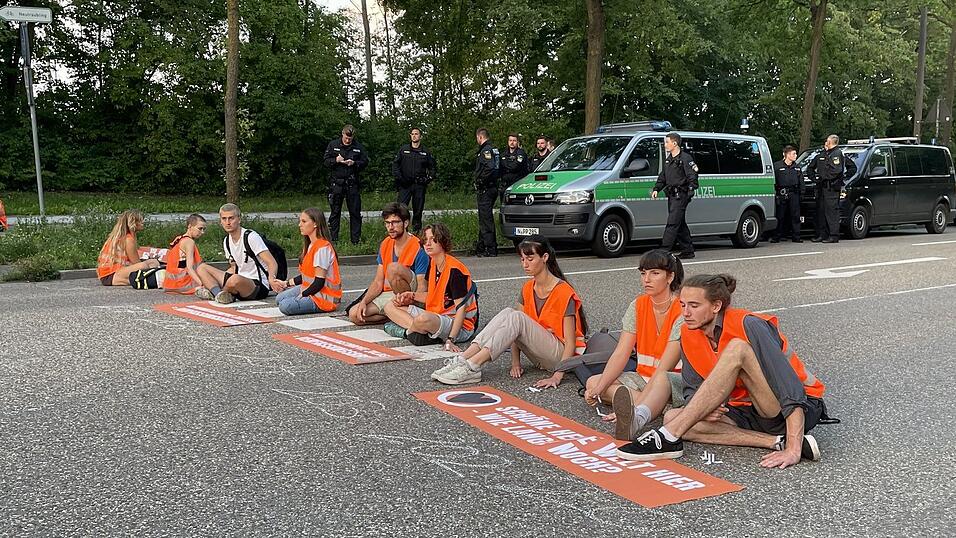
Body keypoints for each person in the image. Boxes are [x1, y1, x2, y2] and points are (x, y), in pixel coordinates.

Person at [616, 274, 829, 469]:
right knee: (673, 416)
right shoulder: (688, 333)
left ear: (716, 305)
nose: (686, 313)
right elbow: (692, 389)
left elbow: (790, 391)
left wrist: (793, 450)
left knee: (737, 348)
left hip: (791, 408)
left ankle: (667, 438)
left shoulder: (749, 324)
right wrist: (705, 409)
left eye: (694, 305)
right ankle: (774, 442)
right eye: (682, 305)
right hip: (746, 410)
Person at [431, 235, 588, 387]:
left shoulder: (563, 292)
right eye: (522, 259)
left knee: (516, 317)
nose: (525, 264)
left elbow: (570, 343)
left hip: (561, 358)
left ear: (545, 257)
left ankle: (473, 365)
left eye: (530, 259)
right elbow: (515, 331)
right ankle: (463, 359)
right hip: (541, 355)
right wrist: (515, 363)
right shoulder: (528, 288)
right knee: (509, 313)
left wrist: (557, 377)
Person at [582, 250, 686, 440]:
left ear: (670, 277)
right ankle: (656, 408)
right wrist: (597, 390)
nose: (647, 279)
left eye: (654, 273)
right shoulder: (638, 305)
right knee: (593, 383)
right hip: (642, 378)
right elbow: (621, 353)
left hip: (671, 382)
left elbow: (665, 369)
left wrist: (634, 410)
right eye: (643, 273)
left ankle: (644, 409)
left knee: (648, 387)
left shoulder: (682, 310)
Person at [383, 223, 479, 347]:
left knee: (423, 319)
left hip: (461, 326)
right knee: (389, 306)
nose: (427, 244)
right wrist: (411, 295)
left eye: (433, 240)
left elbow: (461, 308)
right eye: (425, 240)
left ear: (443, 242)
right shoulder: (433, 263)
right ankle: (417, 330)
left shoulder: (455, 271)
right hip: (437, 316)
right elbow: (433, 296)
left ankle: (408, 332)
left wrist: (451, 339)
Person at [347, 202, 429, 327]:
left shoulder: (418, 247)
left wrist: (417, 302)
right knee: (354, 314)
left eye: (395, 222)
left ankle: (405, 311)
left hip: (412, 296)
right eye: (387, 223)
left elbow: (422, 286)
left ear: (406, 223)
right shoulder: (385, 244)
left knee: (393, 268)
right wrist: (364, 301)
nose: (390, 227)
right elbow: (378, 282)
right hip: (391, 294)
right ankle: (394, 316)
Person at [193, 204, 282, 303]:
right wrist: (219, 277)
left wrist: (271, 280)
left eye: (231, 218)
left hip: (258, 285)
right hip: (238, 278)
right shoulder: (227, 240)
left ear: (239, 219)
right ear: (220, 221)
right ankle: (219, 294)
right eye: (224, 219)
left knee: (235, 279)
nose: (228, 222)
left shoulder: (251, 237)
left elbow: (271, 262)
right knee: (202, 268)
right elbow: (234, 267)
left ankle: (218, 293)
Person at [273, 208, 342, 315]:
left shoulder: (322, 248)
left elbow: (319, 282)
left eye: (304, 221)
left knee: (285, 305)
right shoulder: (310, 245)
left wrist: (303, 294)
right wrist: (286, 283)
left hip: (324, 298)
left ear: (315, 224)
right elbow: (306, 276)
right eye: (300, 221)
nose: (299, 225)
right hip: (312, 289)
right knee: (279, 299)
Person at [651, 132, 699, 259]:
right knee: (679, 223)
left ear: (675, 143)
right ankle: (688, 250)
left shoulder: (685, 158)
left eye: (667, 142)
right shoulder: (669, 159)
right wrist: (657, 189)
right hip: (672, 196)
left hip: (681, 195)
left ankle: (663, 252)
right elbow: (663, 176)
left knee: (672, 223)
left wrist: (689, 192)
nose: (665, 145)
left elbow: (692, 177)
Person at [324, 124, 369, 244]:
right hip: (337, 183)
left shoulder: (358, 147)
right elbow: (326, 161)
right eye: (346, 138)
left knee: (355, 212)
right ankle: (333, 240)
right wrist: (335, 160)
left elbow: (365, 162)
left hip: (352, 183)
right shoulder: (333, 145)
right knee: (335, 212)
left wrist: (354, 163)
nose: (348, 140)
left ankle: (355, 241)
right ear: (342, 134)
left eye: (350, 138)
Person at [96, 210, 161, 287]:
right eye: (140, 221)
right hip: (111, 275)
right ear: (133, 223)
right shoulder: (128, 240)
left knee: (153, 262)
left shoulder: (122, 237)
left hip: (113, 273)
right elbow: (136, 263)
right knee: (143, 266)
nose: (143, 223)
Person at [393, 127, 436, 233]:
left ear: (420, 136)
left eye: (416, 134)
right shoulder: (404, 150)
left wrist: (428, 179)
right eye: (412, 134)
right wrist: (399, 178)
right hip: (405, 185)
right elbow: (395, 164)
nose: (414, 136)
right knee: (401, 210)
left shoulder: (425, 152)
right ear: (410, 136)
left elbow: (433, 168)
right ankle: (402, 232)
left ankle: (416, 233)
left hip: (419, 186)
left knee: (418, 211)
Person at [807, 134, 844, 244]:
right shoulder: (826, 153)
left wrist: (824, 177)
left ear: (832, 141)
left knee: (832, 212)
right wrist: (816, 179)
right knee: (821, 212)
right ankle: (822, 234)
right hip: (822, 188)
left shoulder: (836, 153)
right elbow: (812, 168)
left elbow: (836, 170)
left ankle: (833, 235)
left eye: (827, 140)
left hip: (831, 187)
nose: (826, 142)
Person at [163, 213, 207, 295]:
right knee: (213, 282)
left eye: (204, 229)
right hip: (182, 283)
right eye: (200, 229)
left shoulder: (179, 239)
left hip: (169, 284)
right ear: (190, 227)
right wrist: (202, 284)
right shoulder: (189, 242)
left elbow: (181, 265)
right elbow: (189, 268)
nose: (202, 232)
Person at [473, 127, 500, 257]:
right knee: (484, 219)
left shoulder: (486, 150)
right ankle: (482, 246)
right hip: (492, 187)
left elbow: (489, 168)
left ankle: (491, 248)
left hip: (487, 188)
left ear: (480, 137)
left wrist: (481, 181)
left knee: (486, 219)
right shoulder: (492, 149)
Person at [770, 145, 805, 243]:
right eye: (793, 154)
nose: (795, 155)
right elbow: (773, 181)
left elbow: (801, 181)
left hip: (794, 193)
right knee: (780, 216)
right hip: (781, 193)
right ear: (787, 155)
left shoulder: (797, 167)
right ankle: (777, 236)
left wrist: (802, 193)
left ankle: (796, 236)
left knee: (795, 216)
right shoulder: (777, 166)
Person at [499, 133, 528, 202]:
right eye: (510, 140)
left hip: (517, 184)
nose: (512, 142)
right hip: (505, 184)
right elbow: (500, 168)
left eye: (514, 141)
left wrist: (506, 164)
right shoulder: (504, 153)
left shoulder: (521, 153)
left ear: (517, 142)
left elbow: (514, 167)